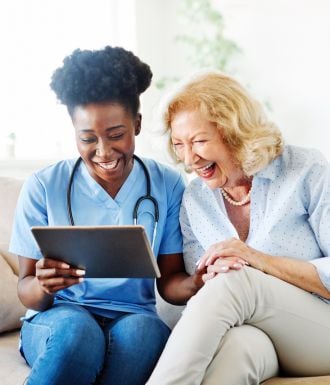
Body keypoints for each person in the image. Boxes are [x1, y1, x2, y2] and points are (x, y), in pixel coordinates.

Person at [9, 46, 191, 385]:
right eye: (87, 138)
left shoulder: (167, 183)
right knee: (79, 332)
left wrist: (199, 284)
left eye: (116, 135)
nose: (104, 151)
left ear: (136, 124)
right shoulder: (43, 185)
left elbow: (169, 283)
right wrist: (45, 286)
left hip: (133, 315)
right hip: (59, 316)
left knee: (144, 335)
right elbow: (26, 287)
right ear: (73, 132)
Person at [146, 71, 330, 385]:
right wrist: (203, 279)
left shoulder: (306, 170)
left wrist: (256, 259)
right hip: (264, 337)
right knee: (237, 348)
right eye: (179, 145)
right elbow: (207, 295)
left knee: (237, 280)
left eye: (200, 141)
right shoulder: (196, 199)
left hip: (320, 330)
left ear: (235, 133)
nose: (190, 159)